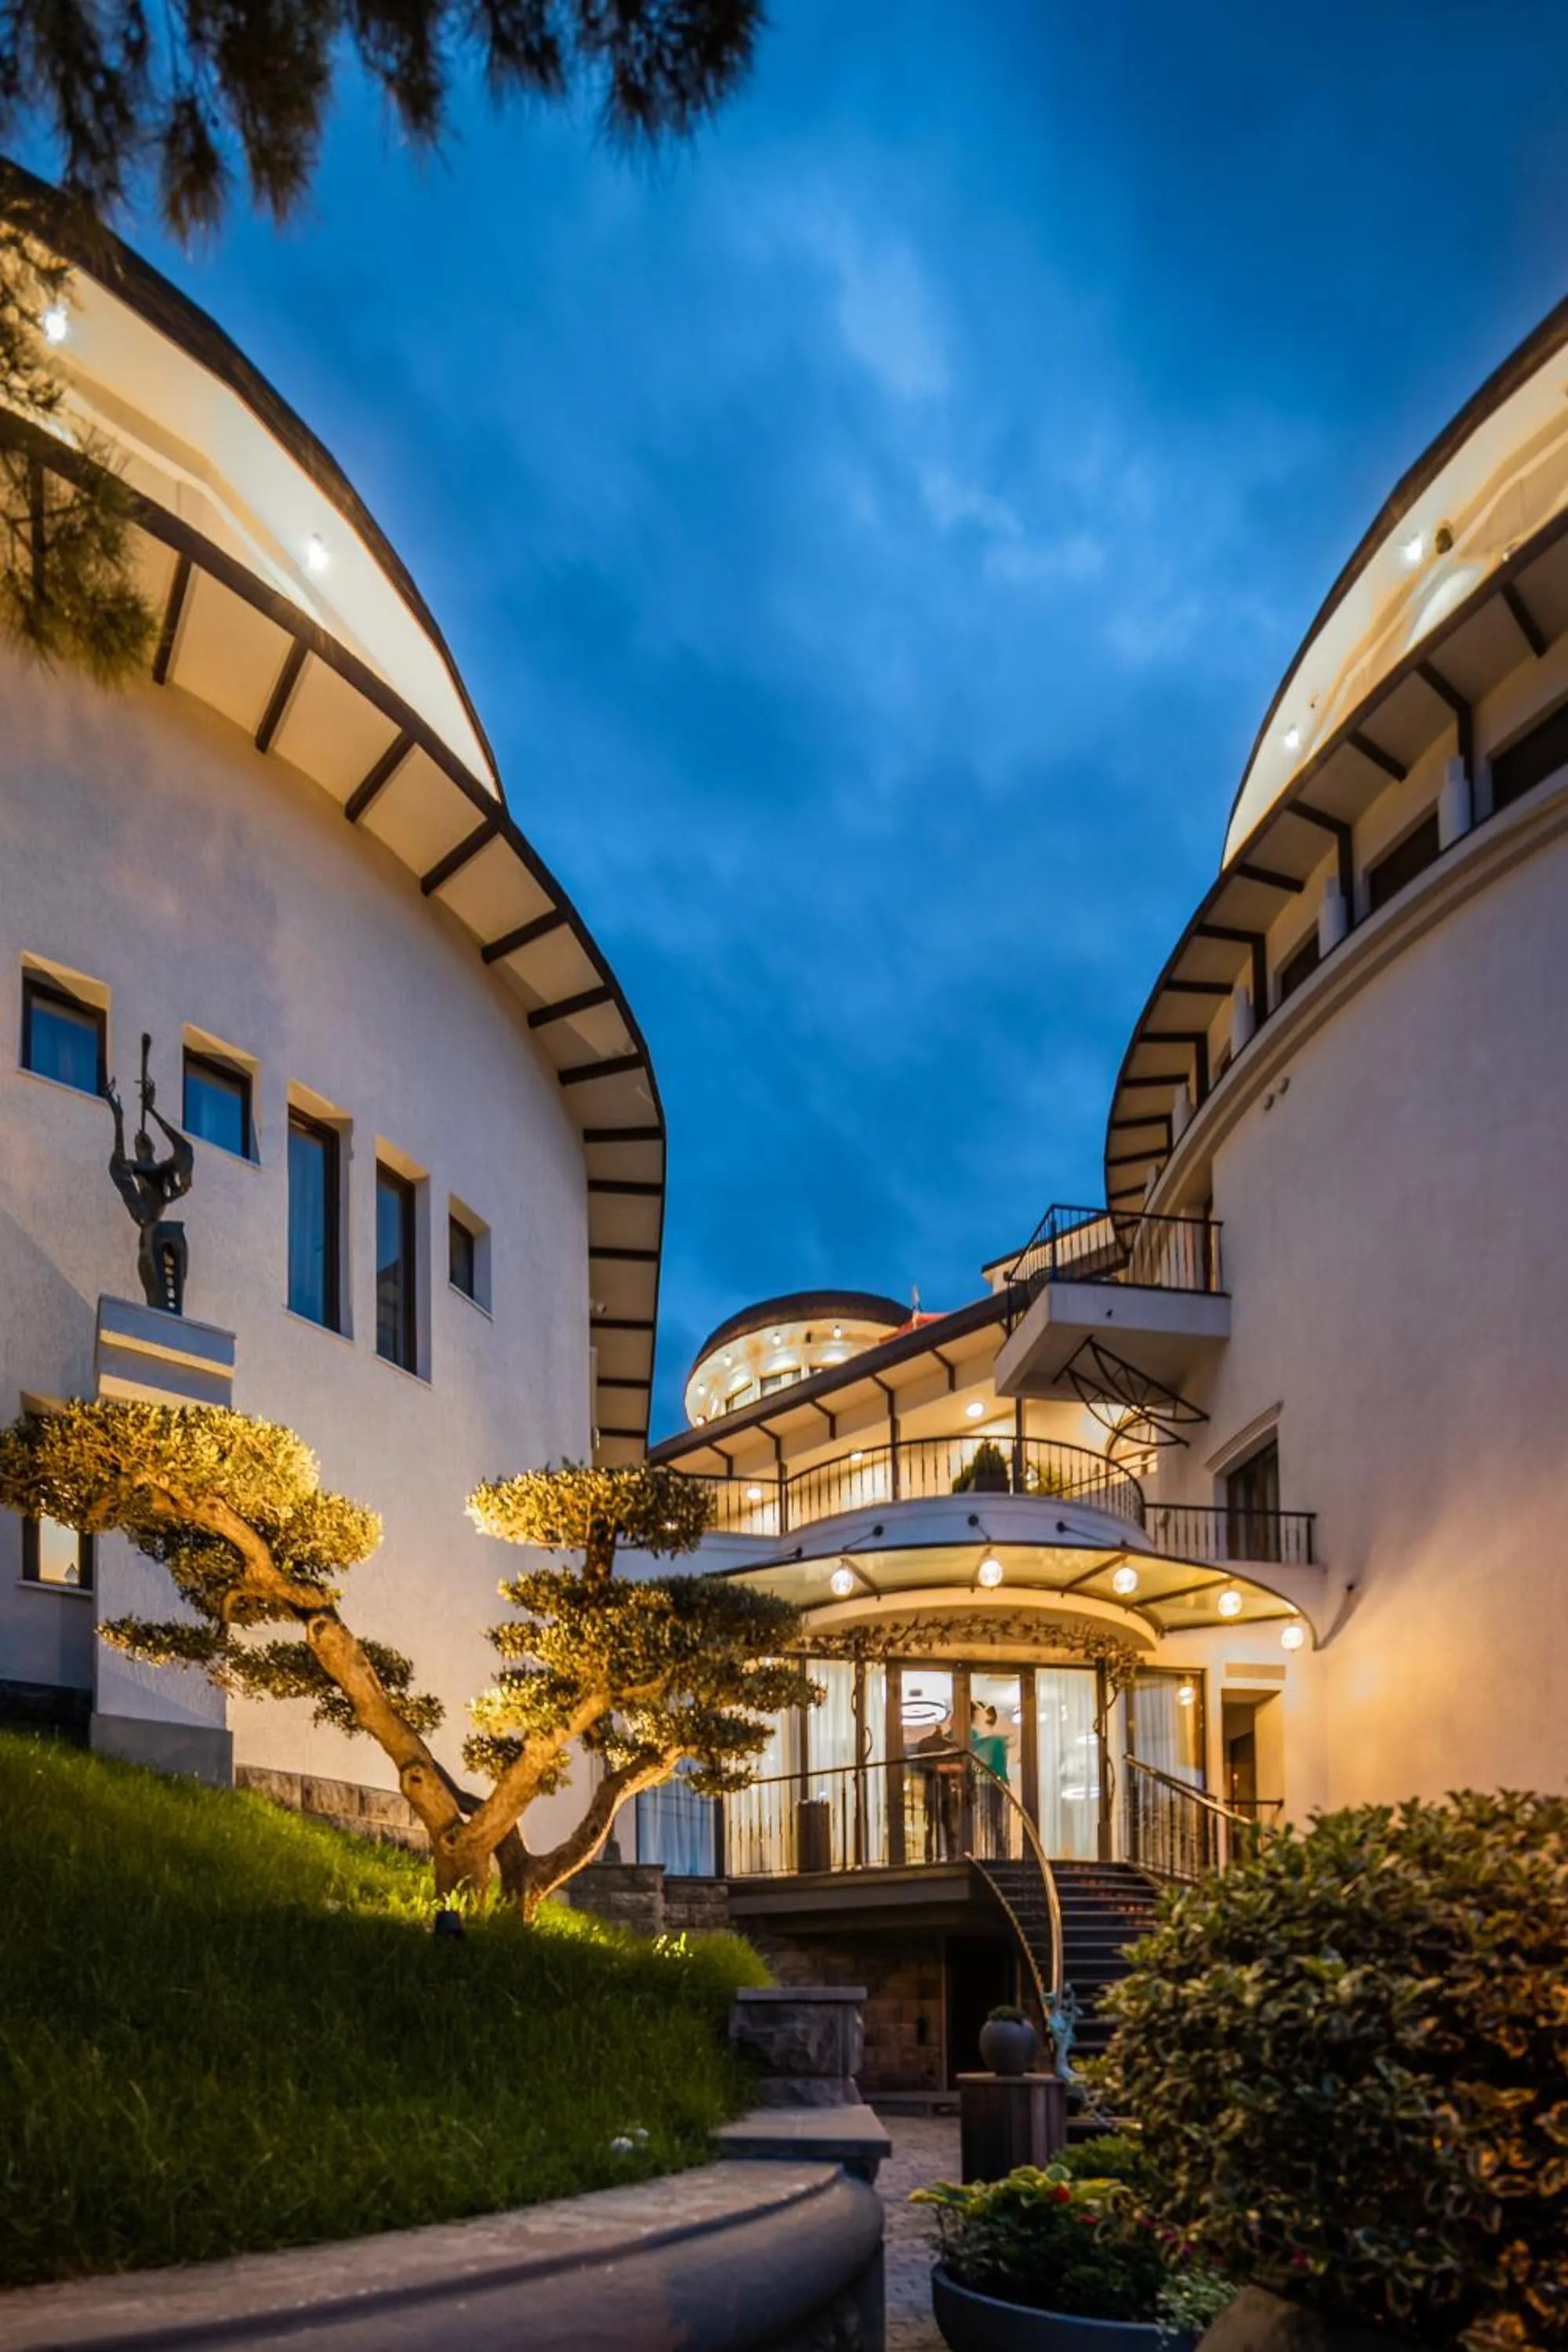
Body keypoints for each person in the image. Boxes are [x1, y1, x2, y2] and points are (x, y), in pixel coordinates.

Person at [107, 1052, 194, 1315]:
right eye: (137, 1142)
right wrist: (119, 1118)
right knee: (156, 1288)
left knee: (174, 1241)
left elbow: (184, 1152)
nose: (140, 1140)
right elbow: (119, 1166)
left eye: (143, 1139)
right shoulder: (134, 1168)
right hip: (149, 1230)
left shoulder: (164, 1171)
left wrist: (153, 1110)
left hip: (166, 1230)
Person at [914, 1711, 963, 1860]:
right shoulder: (927, 1744)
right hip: (935, 1790)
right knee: (933, 1827)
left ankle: (950, 1857)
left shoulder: (950, 1745)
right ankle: (933, 1858)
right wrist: (940, 1768)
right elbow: (920, 1765)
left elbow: (959, 1766)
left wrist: (950, 1769)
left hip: (946, 1790)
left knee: (947, 1827)